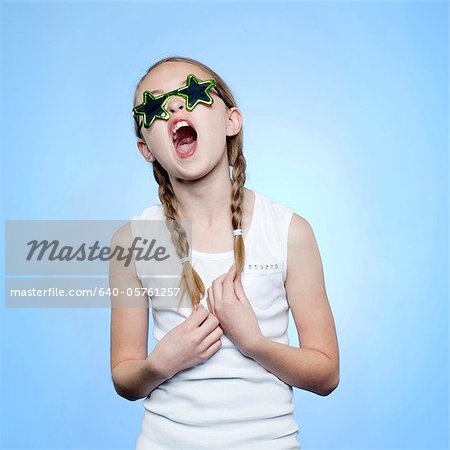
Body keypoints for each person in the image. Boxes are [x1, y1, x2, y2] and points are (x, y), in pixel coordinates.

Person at [109, 56, 340, 449]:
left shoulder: (288, 232)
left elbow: (327, 373)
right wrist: (159, 364)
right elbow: (124, 377)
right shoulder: (130, 242)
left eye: (191, 94)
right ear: (146, 149)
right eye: (154, 106)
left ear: (231, 120)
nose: (175, 108)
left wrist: (255, 343)